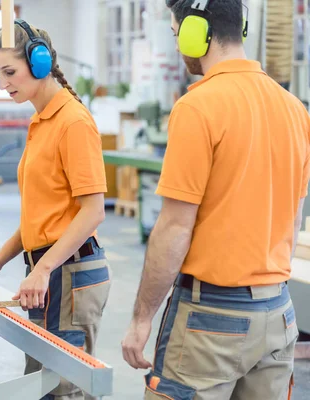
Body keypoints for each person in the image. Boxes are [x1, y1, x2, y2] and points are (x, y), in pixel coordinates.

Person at [121, 0, 310, 399]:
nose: (177, 46)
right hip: (278, 312)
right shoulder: (295, 110)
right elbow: (292, 219)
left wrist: (141, 320)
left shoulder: (198, 106)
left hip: (211, 320)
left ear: (195, 32)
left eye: (176, 35)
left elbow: (174, 228)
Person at [0, 19, 111, 400]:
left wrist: (43, 268)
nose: (2, 83)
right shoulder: (41, 121)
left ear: (40, 63)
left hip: (69, 272)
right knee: (42, 384)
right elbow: (40, 217)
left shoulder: (72, 121)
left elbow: (92, 211)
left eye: (9, 72)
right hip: (50, 270)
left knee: (62, 389)